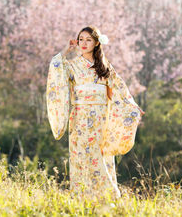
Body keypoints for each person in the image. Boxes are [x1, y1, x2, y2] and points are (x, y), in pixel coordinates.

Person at [46, 26, 144, 201]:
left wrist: (132, 106)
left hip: (100, 118)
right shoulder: (72, 65)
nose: (83, 43)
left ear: (97, 43)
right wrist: (66, 50)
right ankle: (81, 197)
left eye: (88, 40)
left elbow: (119, 88)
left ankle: (107, 197)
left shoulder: (104, 67)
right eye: (81, 39)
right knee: (80, 155)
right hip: (79, 117)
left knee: (99, 154)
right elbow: (55, 66)